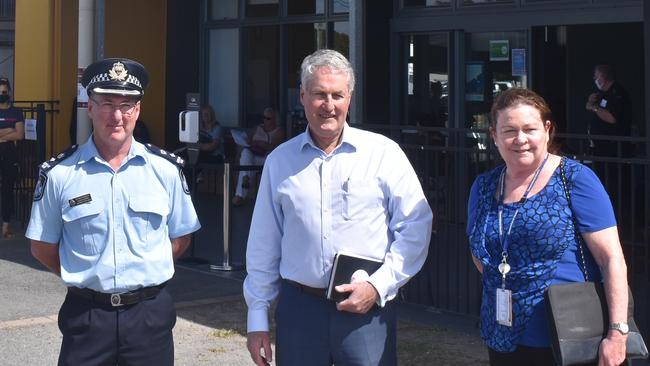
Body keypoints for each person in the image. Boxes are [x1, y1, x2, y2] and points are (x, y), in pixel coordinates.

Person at [244, 49, 433, 366]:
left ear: (350, 98)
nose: (328, 105)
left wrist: (379, 285)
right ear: (303, 96)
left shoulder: (383, 154)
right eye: (319, 94)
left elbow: (416, 226)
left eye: (337, 95)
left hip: (366, 310)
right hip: (300, 311)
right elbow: (264, 242)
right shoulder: (280, 161)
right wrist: (257, 317)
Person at [26, 58, 201, 366]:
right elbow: (42, 247)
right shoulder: (60, 174)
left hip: (149, 315)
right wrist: (87, 274)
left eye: (128, 104)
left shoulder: (165, 170)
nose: (118, 115)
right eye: (107, 103)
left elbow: (181, 238)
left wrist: (143, 267)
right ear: (89, 108)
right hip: (87, 317)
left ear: (138, 110)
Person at [467, 88, 629, 365]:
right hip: (504, 333)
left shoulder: (574, 179)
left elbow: (611, 258)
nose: (520, 139)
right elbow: (478, 249)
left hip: (573, 337)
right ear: (494, 135)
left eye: (529, 129)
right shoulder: (484, 186)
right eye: (509, 131)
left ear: (547, 129)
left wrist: (617, 333)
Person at [232, 107, 283, 206]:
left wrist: (261, 144)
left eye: (268, 118)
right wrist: (246, 141)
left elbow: (275, 148)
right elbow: (249, 139)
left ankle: (240, 195)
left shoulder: (279, 131)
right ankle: (246, 178)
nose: (265, 120)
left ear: (274, 120)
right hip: (254, 156)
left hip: (266, 159)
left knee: (245, 166)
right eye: (263, 117)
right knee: (245, 153)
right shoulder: (258, 128)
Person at [585, 64, 632, 157]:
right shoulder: (601, 92)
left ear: (603, 77)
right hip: (599, 146)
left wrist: (594, 108)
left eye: (596, 76)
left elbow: (612, 118)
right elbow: (588, 106)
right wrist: (590, 102)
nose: (595, 79)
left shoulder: (618, 93)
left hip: (613, 148)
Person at [0, 77, 24, 238]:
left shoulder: (16, 111)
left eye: (4, 92)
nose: (2, 94)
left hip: (9, 152)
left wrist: (4, 135)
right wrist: (9, 130)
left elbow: (20, 134)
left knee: (7, 189)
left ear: (8, 92)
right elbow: (14, 132)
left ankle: (6, 225)